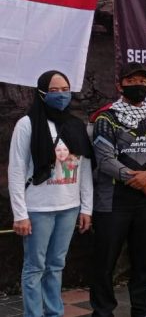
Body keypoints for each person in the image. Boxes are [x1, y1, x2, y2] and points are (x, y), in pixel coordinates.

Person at [8, 70, 94, 317]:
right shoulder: (27, 125)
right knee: (35, 267)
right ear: (42, 93)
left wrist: (86, 208)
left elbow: (84, 168)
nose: (61, 95)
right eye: (53, 90)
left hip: (69, 207)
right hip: (38, 209)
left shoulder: (76, 125)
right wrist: (20, 214)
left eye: (65, 90)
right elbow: (16, 170)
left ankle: (54, 313)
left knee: (56, 265)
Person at [89, 62, 146, 317]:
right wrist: (135, 178)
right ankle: (103, 312)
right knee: (105, 262)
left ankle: (141, 310)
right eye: (131, 81)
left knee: (143, 260)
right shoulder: (106, 118)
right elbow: (104, 159)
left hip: (145, 203)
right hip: (112, 200)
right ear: (120, 85)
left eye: (143, 81)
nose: (138, 86)